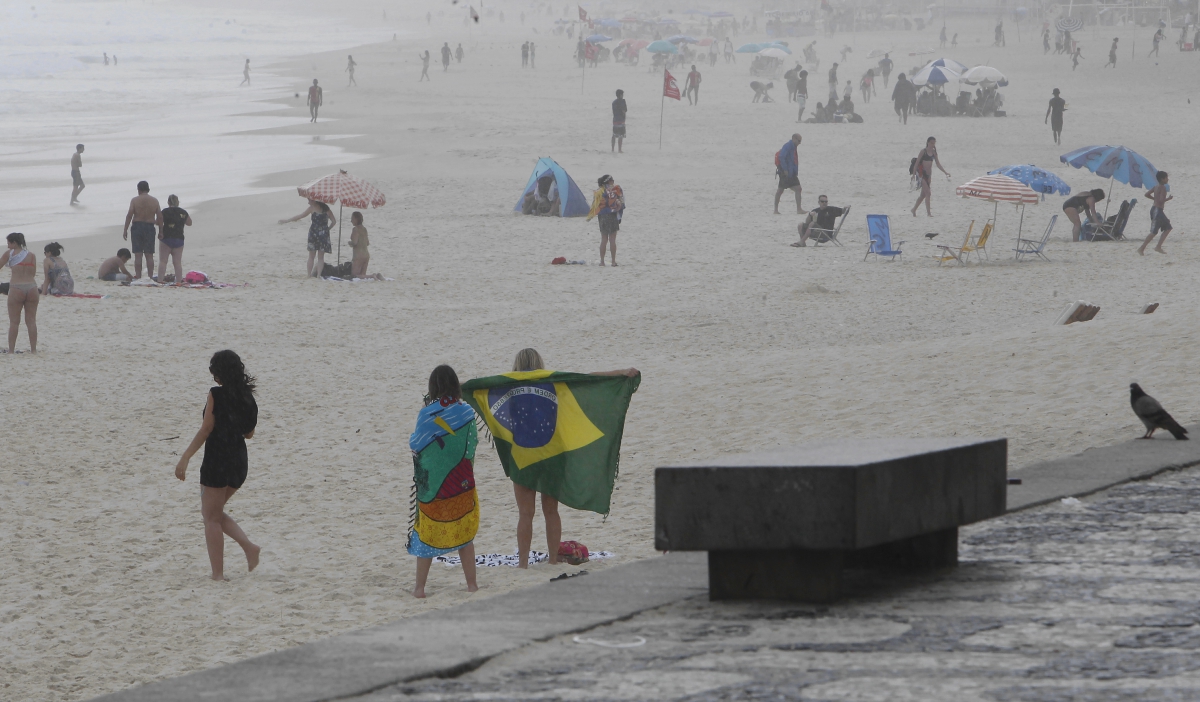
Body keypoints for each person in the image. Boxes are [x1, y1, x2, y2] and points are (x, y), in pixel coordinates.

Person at [504, 349, 639, 568]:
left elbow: (477, 387)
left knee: (525, 514)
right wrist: (621, 372)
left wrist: (449, 388)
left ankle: (522, 564)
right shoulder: (553, 382)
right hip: (552, 454)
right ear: (540, 363)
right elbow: (587, 379)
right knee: (551, 511)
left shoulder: (507, 388)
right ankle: (553, 560)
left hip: (523, 455)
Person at [174, 350, 261, 582]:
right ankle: (249, 548)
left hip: (217, 459)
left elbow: (206, 429)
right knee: (213, 513)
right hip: (239, 462)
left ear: (220, 374)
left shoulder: (215, 395)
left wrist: (185, 457)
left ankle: (219, 574)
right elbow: (249, 433)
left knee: (211, 517)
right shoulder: (248, 398)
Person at [408, 365, 480, 597]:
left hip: (433, 489)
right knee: (465, 535)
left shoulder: (427, 414)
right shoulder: (467, 411)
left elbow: (416, 445)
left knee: (427, 535)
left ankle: (420, 589)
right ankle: (472, 585)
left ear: (433, 387)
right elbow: (471, 447)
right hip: (462, 483)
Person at [279, 199, 335, 277]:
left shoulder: (312, 208)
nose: (308, 202)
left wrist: (287, 221)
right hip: (323, 235)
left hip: (313, 234)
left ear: (315, 201)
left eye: (309, 200)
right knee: (321, 258)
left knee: (311, 256)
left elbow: (300, 216)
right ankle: (318, 275)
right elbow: (334, 221)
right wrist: (327, 229)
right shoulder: (326, 209)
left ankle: (309, 275)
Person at [2, 233, 38, 354]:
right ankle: (33, 350)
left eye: (8, 243)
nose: (7, 246)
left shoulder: (10, 254)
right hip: (32, 287)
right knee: (31, 321)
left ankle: (11, 350)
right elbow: (33, 273)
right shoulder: (32, 256)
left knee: (14, 322)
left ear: (14, 243)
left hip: (16, 288)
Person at [122, 180, 162, 280]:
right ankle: (150, 276)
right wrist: (161, 231)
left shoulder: (135, 200)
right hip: (149, 227)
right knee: (149, 255)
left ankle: (139, 277)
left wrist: (125, 229)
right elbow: (160, 216)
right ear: (148, 189)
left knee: (138, 254)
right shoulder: (155, 200)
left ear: (138, 189)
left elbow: (129, 215)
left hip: (137, 227)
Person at [587, 175, 624, 266]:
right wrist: (619, 217)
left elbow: (594, 206)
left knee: (604, 239)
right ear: (609, 181)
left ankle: (602, 261)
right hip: (612, 215)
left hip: (602, 216)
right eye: (612, 180)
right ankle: (613, 261)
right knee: (612, 239)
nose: (614, 182)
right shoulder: (616, 190)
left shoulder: (599, 192)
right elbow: (621, 204)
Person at [911, 136, 950, 217]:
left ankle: (913, 209)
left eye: (934, 143)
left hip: (929, 176)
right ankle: (929, 213)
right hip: (922, 175)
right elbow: (917, 163)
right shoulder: (923, 151)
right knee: (928, 193)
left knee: (923, 195)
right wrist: (914, 175)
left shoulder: (934, 153)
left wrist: (945, 172)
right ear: (928, 142)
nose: (933, 144)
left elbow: (938, 164)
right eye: (931, 143)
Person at [158, 194, 192, 284]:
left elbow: (158, 222)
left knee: (163, 261)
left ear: (168, 202)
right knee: (177, 262)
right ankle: (178, 281)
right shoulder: (183, 212)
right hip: (179, 238)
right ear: (178, 202)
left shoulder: (165, 211)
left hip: (166, 238)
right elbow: (189, 223)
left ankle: (160, 280)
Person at [1140, 171, 1173, 255]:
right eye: (1166, 178)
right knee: (1154, 232)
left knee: (1168, 227)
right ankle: (1143, 248)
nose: (1167, 179)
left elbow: (1147, 194)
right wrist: (1168, 199)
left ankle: (1157, 246)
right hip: (1157, 211)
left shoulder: (1156, 186)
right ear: (1162, 179)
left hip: (1155, 209)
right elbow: (1161, 200)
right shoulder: (1162, 188)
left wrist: (1154, 199)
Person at [774, 133, 805, 215]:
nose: (799, 143)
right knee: (780, 190)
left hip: (792, 173)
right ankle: (775, 210)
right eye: (799, 141)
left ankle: (799, 209)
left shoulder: (794, 147)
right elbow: (781, 157)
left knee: (798, 188)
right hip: (785, 173)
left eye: (800, 141)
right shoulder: (787, 146)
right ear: (794, 139)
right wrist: (785, 169)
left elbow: (793, 160)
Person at [348, 211, 380, 278]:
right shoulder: (364, 229)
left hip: (358, 255)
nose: (351, 221)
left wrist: (349, 243)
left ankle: (372, 276)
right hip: (366, 254)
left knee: (354, 276)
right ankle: (377, 276)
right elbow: (367, 243)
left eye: (352, 219)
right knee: (363, 276)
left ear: (356, 219)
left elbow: (355, 242)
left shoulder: (355, 229)